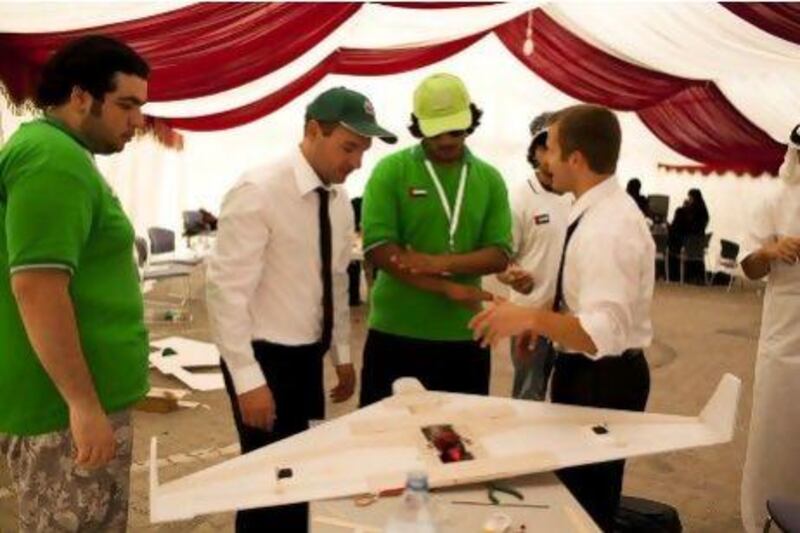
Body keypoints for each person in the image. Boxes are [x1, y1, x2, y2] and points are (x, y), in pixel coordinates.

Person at [206, 86, 397, 532]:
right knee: (264, 486)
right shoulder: (259, 189)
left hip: (307, 357)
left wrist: (342, 356)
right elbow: (225, 292)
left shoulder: (337, 201)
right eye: (349, 147)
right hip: (264, 358)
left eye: (364, 151)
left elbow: (333, 282)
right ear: (313, 130)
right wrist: (247, 380)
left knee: (303, 476)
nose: (357, 162)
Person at [470, 104, 654, 532]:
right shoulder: (589, 210)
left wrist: (529, 320)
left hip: (603, 376)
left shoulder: (610, 227)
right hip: (587, 372)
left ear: (576, 159)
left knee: (588, 503)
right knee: (576, 491)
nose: (542, 158)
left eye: (549, 148)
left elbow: (600, 334)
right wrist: (543, 319)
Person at [0, 35, 150, 532]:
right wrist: (83, 405)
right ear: (81, 96)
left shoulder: (60, 153)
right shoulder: (51, 160)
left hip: (73, 406)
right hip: (62, 412)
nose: (137, 121)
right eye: (126, 105)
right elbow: (37, 289)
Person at [359, 72, 512, 407]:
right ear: (417, 126)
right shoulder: (390, 170)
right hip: (395, 331)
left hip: (465, 333)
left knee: (462, 446)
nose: (446, 140)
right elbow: (381, 250)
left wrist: (436, 263)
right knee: (388, 444)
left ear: (471, 121)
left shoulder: (489, 178)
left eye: (455, 130)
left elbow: (499, 254)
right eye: (435, 132)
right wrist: (446, 286)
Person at [739, 127, 800, 533]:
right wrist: (769, 251)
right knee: (775, 430)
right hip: (785, 337)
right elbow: (748, 266)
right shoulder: (774, 199)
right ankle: (765, 515)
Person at [496, 111, 569, 400]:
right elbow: (502, 259)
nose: (552, 156)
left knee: (568, 398)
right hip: (530, 316)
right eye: (545, 147)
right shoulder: (519, 198)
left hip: (572, 317)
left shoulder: (576, 194)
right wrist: (511, 277)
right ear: (534, 152)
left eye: (558, 147)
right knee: (529, 395)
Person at [667, 188, 709, 282]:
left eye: (689, 198)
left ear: (692, 199)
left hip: (687, 244)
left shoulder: (683, 212)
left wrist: (683, 209)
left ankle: (672, 274)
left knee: (669, 242)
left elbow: (676, 228)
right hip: (698, 246)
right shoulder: (704, 213)